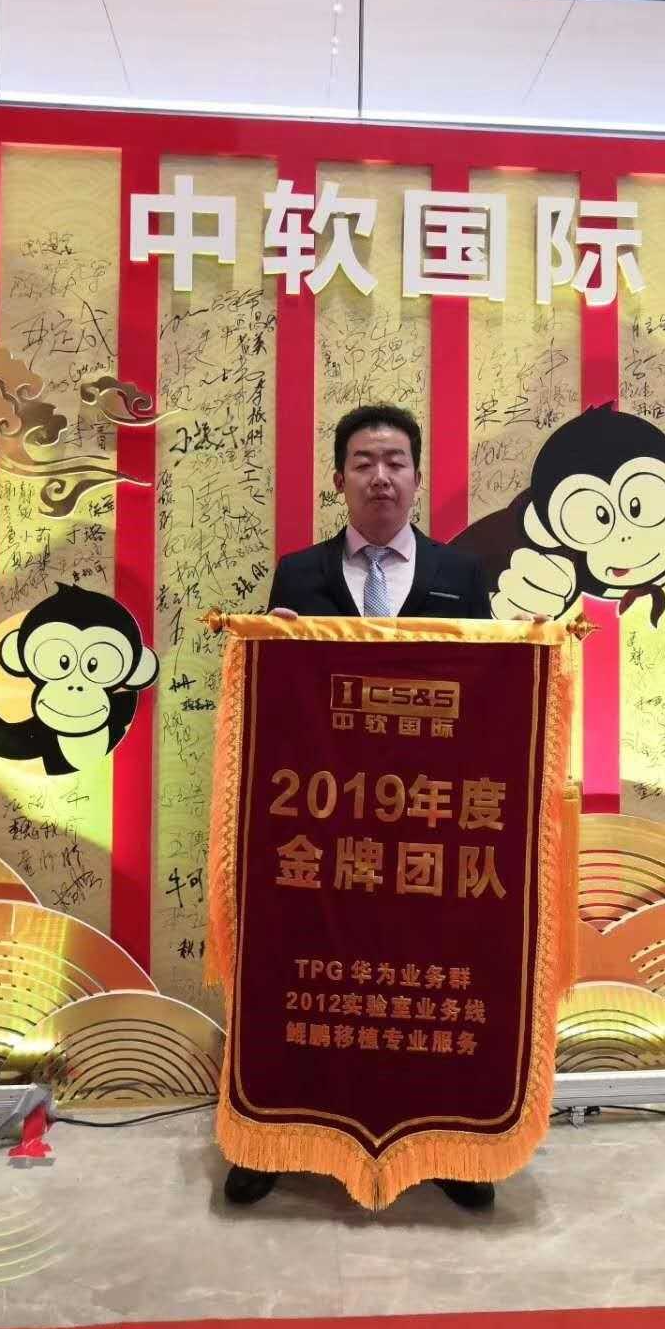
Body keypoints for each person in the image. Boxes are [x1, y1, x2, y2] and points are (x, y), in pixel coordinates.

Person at [223, 403, 496, 1212]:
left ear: (418, 477)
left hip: (428, 826)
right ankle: (273, 1137)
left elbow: (491, 692)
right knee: (302, 971)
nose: (381, 476)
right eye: (365, 462)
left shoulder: (461, 574)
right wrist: (268, 647)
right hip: (324, 821)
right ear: (338, 478)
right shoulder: (299, 574)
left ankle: (448, 1147)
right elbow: (278, 704)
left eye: (396, 461)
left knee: (427, 980)